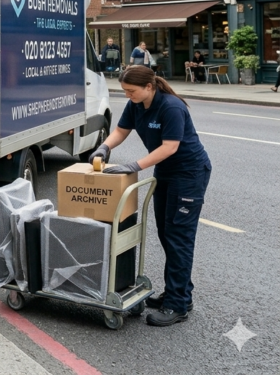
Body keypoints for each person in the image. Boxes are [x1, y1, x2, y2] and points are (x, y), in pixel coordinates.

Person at [87, 66, 211, 327]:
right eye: (124, 91)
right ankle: (181, 293)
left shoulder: (171, 107)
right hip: (165, 172)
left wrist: (134, 166)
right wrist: (104, 147)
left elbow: (170, 147)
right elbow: (121, 130)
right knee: (166, 234)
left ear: (149, 87)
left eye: (131, 90)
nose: (127, 95)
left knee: (178, 238)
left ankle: (177, 305)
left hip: (188, 174)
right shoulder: (136, 104)